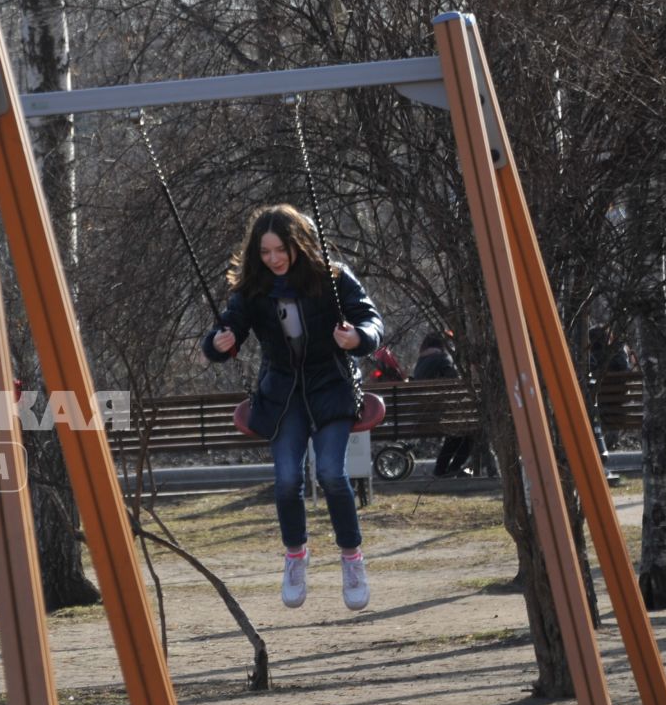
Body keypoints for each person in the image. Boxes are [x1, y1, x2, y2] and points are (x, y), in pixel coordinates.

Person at [202, 204, 383, 611]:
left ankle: (352, 558)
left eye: (280, 249)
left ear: (298, 243)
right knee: (286, 479)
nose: (273, 259)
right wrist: (218, 343)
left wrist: (358, 337)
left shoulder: (331, 278)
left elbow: (371, 320)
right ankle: (295, 555)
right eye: (264, 252)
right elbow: (226, 329)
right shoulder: (252, 290)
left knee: (330, 473)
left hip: (331, 386)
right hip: (283, 394)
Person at [412, 330, 475, 478]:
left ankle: (443, 470)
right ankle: (450, 469)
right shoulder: (443, 358)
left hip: (423, 415)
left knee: (458, 435)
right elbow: (454, 382)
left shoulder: (421, 362)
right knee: (468, 436)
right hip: (439, 415)